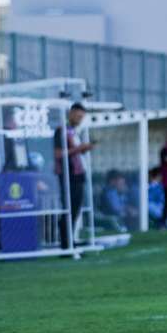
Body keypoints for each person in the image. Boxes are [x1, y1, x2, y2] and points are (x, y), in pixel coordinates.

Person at [54, 102, 95, 249]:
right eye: (78, 116)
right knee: (69, 209)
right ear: (71, 113)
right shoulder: (61, 131)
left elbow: (74, 152)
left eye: (82, 117)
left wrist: (84, 149)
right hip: (68, 176)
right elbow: (58, 154)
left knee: (75, 210)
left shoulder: (73, 131)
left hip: (78, 175)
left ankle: (71, 241)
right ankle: (66, 244)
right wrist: (79, 149)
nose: (79, 120)